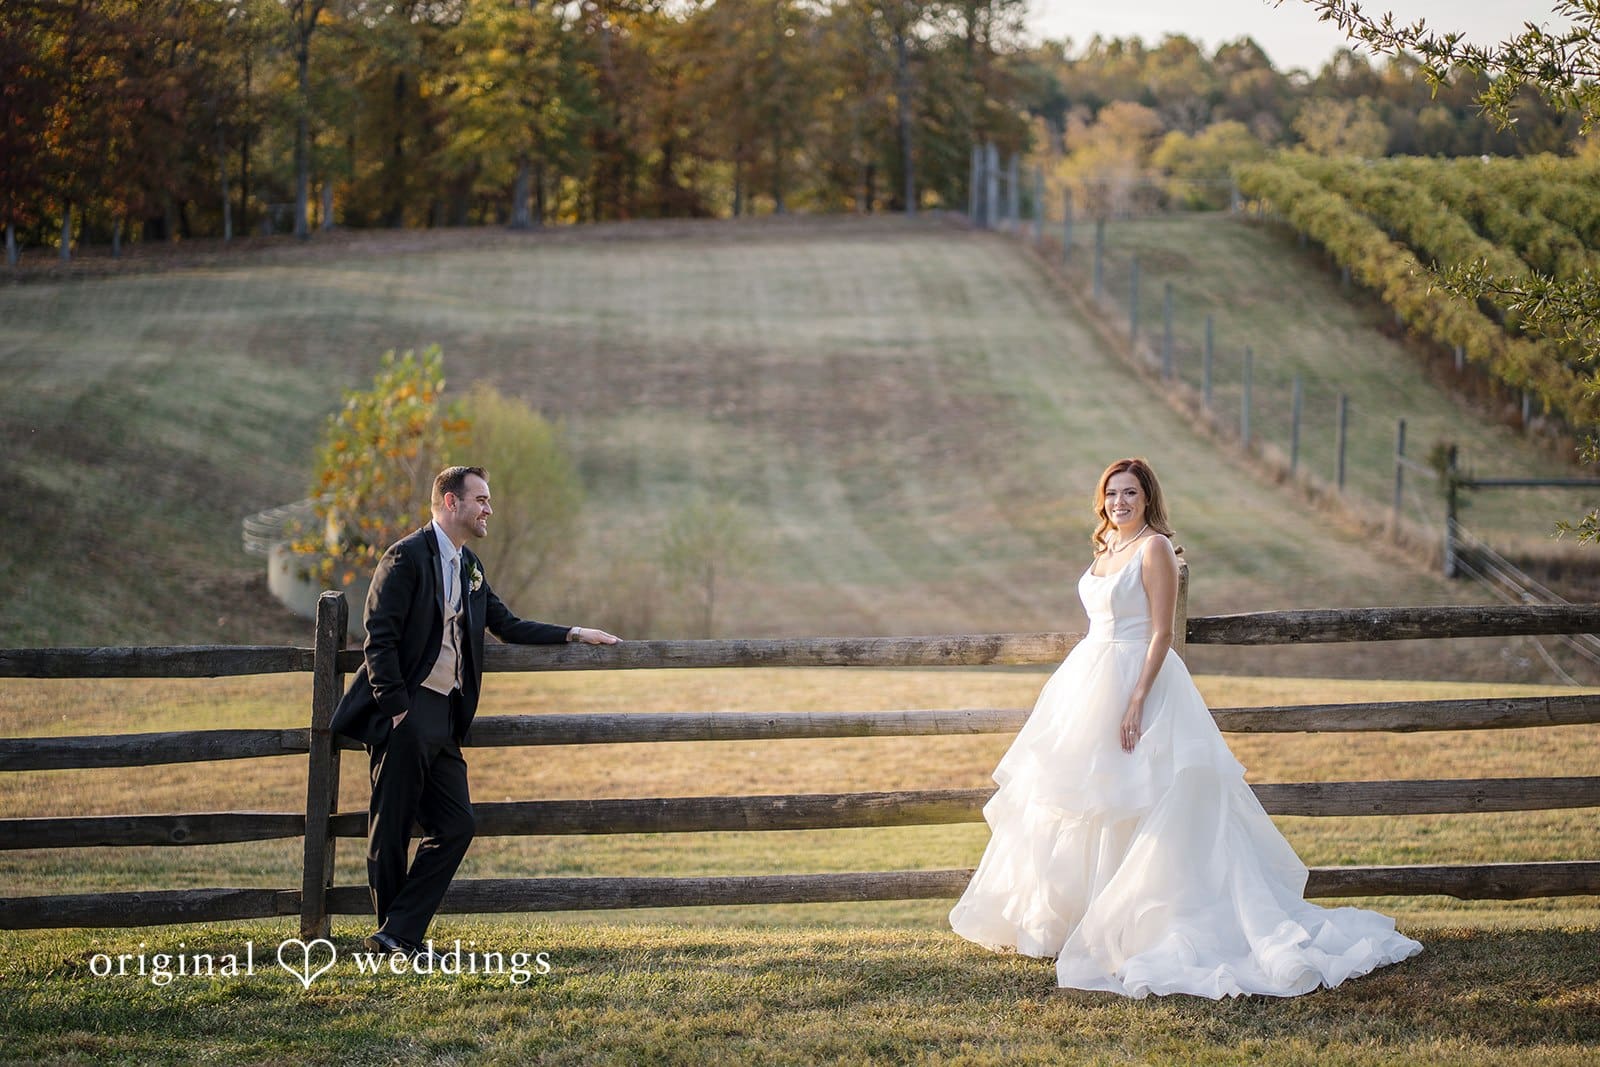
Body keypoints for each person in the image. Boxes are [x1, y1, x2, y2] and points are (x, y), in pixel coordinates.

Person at [949, 457, 1421, 998]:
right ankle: (1080, 916)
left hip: (1138, 683)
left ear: (1148, 498)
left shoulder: (1155, 549)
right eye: (1111, 493)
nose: (1119, 502)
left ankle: (1141, 921)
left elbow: (1160, 633)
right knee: (1086, 798)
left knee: (1143, 799)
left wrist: (1137, 700)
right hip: (1086, 683)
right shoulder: (1106, 548)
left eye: (1130, 493)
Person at [331, 464, 619, 960]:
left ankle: (395, 934)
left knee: (457, 824)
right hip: (404, 712)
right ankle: (397, 940)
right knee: (392, 827)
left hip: (444, 717)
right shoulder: (404, 557)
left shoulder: (470, 567)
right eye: (481, 500)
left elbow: (508, 625)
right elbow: (379, 638)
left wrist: (573, 633)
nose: (489, 509)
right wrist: (397, 709)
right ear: (451, 503)